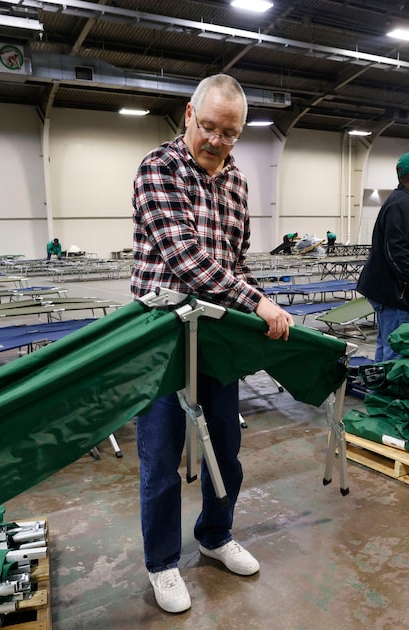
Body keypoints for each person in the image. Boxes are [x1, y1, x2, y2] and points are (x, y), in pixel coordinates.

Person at [131, 73, 293, 614]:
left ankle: (215, 535)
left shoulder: (238, 182)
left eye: (230, 133)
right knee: (161, 455)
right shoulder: (158, 168)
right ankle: (162, 563)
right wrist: (255, 301)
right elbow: (184, 259)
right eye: (208, 127)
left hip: (216, 333)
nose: (217, 141)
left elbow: (235, 262)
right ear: (188, 115)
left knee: (226, 444)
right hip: (161, 335)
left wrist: (262, 301)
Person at [356, 151, 409, 362]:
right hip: (396, 293)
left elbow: (403, 241)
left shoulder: (406, 202)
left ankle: (380, 380)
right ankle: (389, 383)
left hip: (392, 290)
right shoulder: (401, 205)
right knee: (397, 349)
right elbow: (396, 250)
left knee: (387, 344)